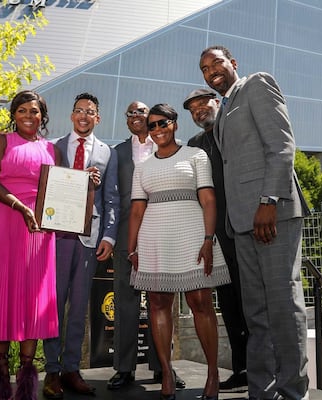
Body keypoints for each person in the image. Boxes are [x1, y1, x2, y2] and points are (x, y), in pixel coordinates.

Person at [199, 45, 310, 400]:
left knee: (282, 305)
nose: (211, 70)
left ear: (233, 63)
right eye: (204, 68)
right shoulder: (225, 108)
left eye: (216, 62)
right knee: (256, 314)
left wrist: (268, 202)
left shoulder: (258, 85)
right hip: (241, 224)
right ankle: (262, 392)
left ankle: (293, 392)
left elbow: (281, 146)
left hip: (272, 215)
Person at [128, 103, 231, 400]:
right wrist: (131, 248)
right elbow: (136, 210)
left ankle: (212, 373)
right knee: (158, 303)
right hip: (154, 240)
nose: (157, 129)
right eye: (152, 126)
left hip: (192, 235)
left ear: (175, 124)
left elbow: (209, 200)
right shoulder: (143, 167)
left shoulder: (196, 156)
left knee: (200, 301)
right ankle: (166, 374)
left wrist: (208, 239)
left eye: (163, 123)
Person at [0, 90, 60, 400]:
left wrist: (85, 184)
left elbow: (59, 191)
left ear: (42, 116)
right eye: (22, 110)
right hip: (5, 220)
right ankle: (1, 372)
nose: (28, 116)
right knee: (3, 292)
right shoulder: (1, 141)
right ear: (14, 114)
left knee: (32, 296)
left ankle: (28, 376)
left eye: (34, 111)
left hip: (39, 229)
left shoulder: (51, 149)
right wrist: (20, 207)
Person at [42, 92, 120, 399]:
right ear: (72, 115)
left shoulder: (107, 152)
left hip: (89, 238)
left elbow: (111, 198)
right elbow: (47, 186)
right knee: (54, 306)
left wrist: (110, 236)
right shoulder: (55, 146)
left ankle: (72, 369)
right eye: (79, 111)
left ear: (97, 118)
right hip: (57, 236)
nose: (84, 116)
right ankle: (51, 371)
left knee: (78, 309)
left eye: (90, 112)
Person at [108, 101, 186, 391]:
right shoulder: (115, 154)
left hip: (163, 234)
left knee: (163, 302)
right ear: (127, 121)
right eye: (130, 113)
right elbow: (111, 199)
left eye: (141, 112)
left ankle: (162, 366)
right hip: (127, 234)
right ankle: (124, 368)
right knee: (126, 303)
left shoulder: (168, 149)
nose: (136, 117)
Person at [183, 88, 249, 394]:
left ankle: (263, 367)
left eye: (203, 105)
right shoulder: (194, 146)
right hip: (216, 236)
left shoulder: (234, 130)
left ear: (217, 102)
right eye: (193, 110)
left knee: (252, 301)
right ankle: (241, 368)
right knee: (229, 304)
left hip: (245, 228)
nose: (198, 112)